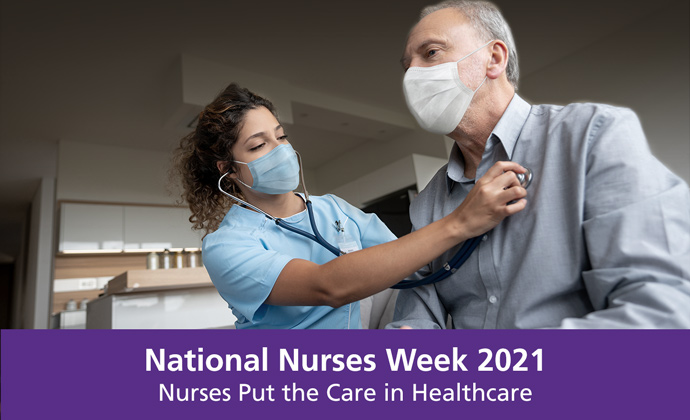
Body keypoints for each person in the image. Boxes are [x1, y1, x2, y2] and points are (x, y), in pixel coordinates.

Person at [387, 0, 690, 329]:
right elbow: (414, 325)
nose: (413, 75)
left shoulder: (593, 135)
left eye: (430, 53)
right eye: (407, 67)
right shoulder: (428, 205)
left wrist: (501, 370)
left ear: (494, 58)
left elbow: (660, 311)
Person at [172, 83, 528, 329]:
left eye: (280, 136)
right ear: (228, 170)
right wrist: (459, 222)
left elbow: (406, 262)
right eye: (257, 145)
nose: (280, 150)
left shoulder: (332, 210)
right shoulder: (227, 246)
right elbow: (328, 286)